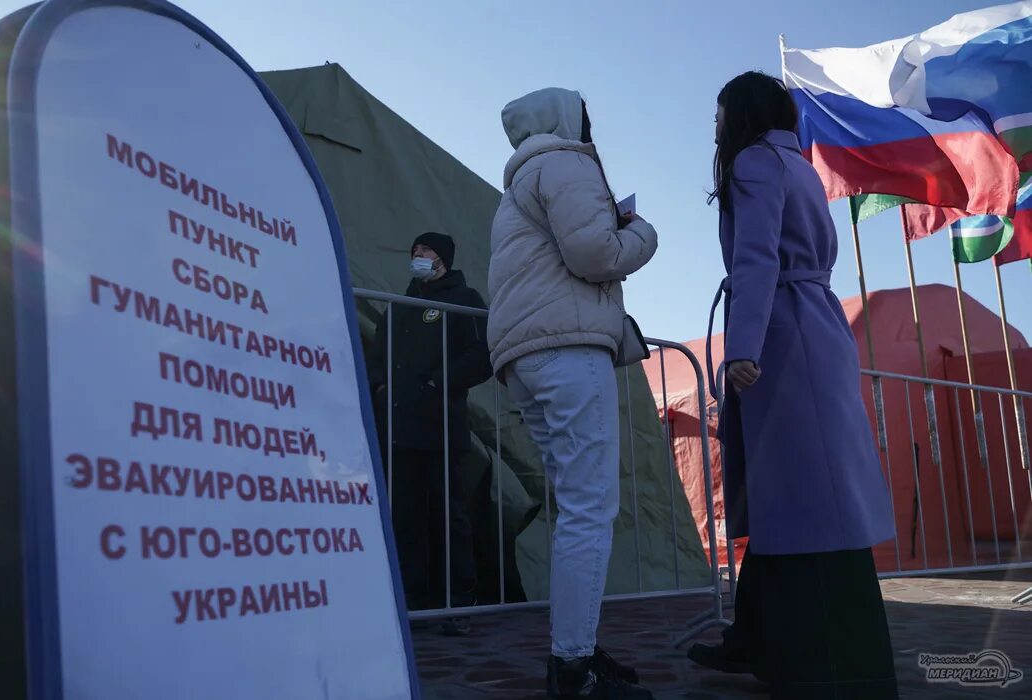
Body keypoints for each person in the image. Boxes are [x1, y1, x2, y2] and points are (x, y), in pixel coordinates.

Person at [687, 71, 898, 700]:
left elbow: (756, 256)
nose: (715, 125)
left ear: (742, 115)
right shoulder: (799, 164)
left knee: (803, 500)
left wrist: (743, 347)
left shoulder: (752, 163)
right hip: (817, 323)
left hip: (781, 332)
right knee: (800, 498)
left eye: (719, 112)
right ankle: (759, 636)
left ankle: (819, 658)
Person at [488, 88, 658, 700]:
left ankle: (576, 645)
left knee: (574, 511)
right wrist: (641, 232)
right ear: (568, 120)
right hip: (567, 352)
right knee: (589, 510)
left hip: (525, 357)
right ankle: (573, 665)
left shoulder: (517, 185)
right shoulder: (567, 164)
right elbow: (595, 253)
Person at [370, 232, 492, 636]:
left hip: (441, 427)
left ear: (443, 257)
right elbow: (378, 354)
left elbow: (482, 355)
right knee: (404, 516)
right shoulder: (401, 303)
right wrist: (382, 386)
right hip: (400, 428)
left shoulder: (463, 299)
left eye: (423, 250)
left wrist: (439, 383)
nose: (417, 255)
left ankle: (458, 603)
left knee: (448, 516)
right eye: (413, 250)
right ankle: (412, 602)